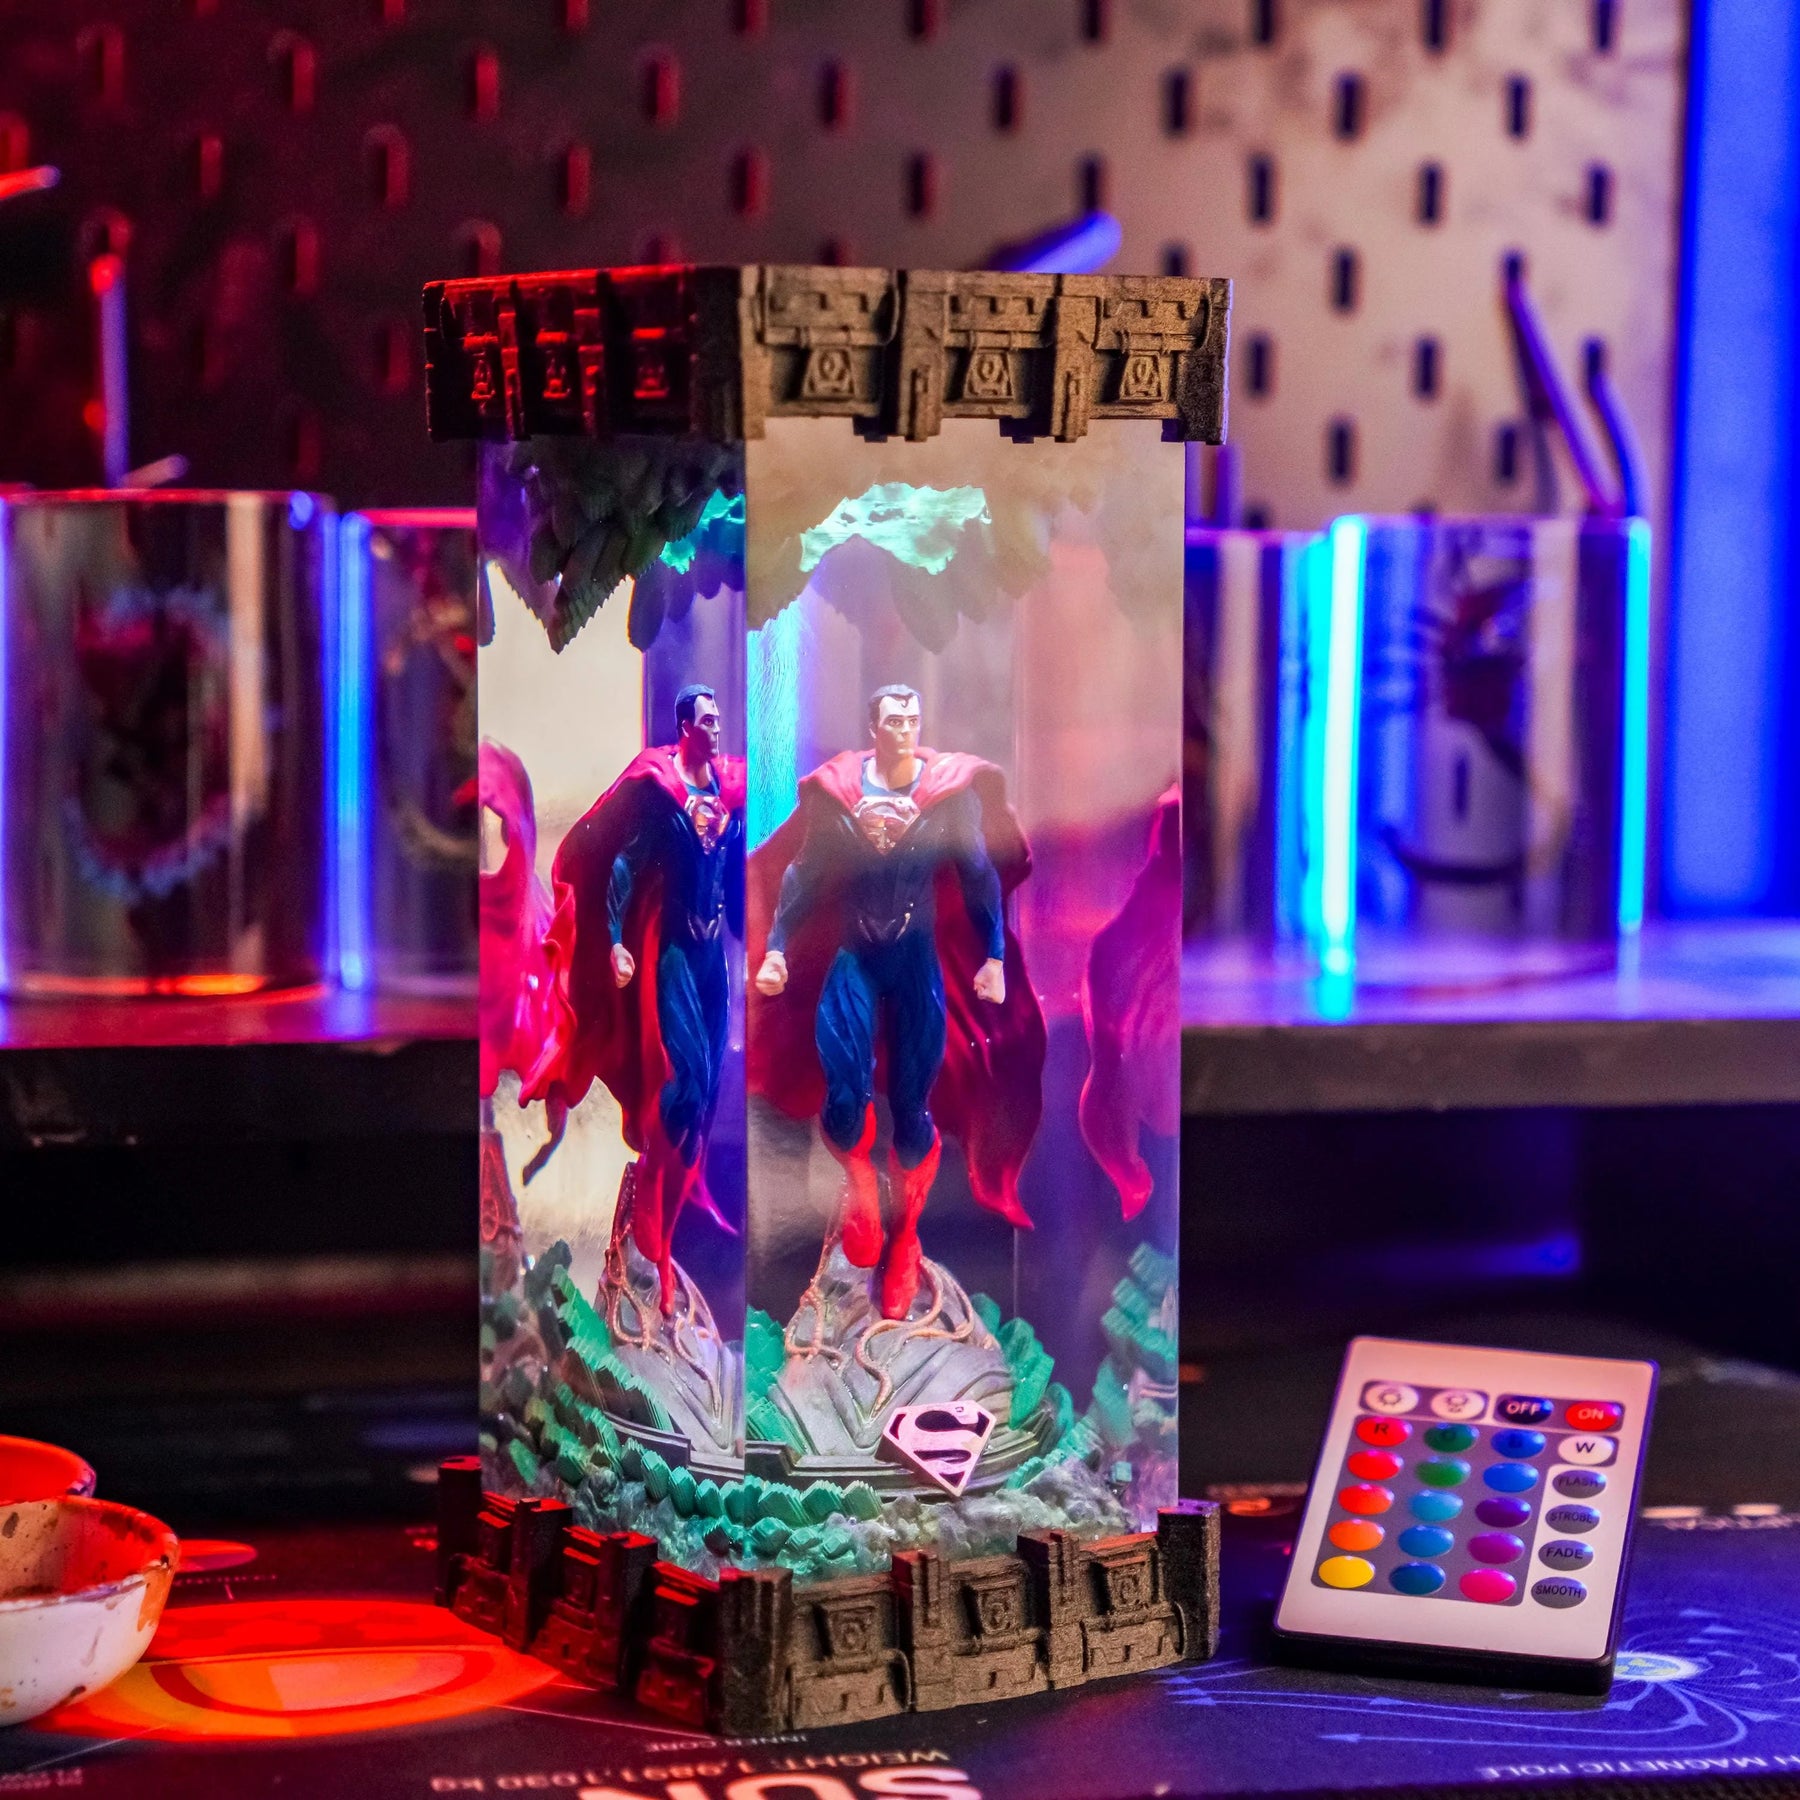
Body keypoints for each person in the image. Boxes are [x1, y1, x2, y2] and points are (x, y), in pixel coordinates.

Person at [748, 684, 1045, 1320]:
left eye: (912, 719)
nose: (906, 729)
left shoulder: (947, 796)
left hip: (915, 962)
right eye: (894, 720)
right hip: (853, 953)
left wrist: (993, 957)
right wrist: (776, 949)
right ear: (874, 728)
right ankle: (859, 1179)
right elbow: (804, 874)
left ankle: (906, 1235)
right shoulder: (839, 795)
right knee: (841, 1091)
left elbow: (978, 875)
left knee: (913, 1107)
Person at [524, 685, 745, 1312]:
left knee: (705, 1095)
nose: (716, 728)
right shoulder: (659, 790)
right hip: (670, 950)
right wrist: (617, 941)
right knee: (682, 1080)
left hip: (712, 956)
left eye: (718, 719)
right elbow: (623, 864)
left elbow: (738, 874)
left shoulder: (731, 792)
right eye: (706, 720)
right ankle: (651, 1224)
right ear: (684, 727)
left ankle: (662, 1235)